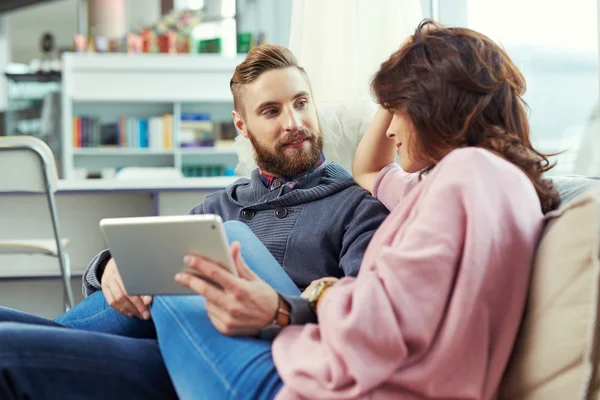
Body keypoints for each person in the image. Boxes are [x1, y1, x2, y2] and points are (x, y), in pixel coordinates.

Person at [141, 19, 559, 399]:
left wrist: (288, 307)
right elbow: (372, 168)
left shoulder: (469, 175)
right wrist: (401, 78)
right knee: (80, 349)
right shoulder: (468, 183)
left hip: (333, 384)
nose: (391, 128)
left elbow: (383, 325)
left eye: (399, 110)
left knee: (214, 244)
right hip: (332, 370)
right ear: (242, 123)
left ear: (434, 107)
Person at [0, 44, 388, 399]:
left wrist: (284, 308)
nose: (294, 122)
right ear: (241, 125)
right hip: (156, 348)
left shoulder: (356, 206)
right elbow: (148, 260)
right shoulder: (220, 206)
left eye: (301, 103)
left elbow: (367, 312)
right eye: (271, 111)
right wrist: (108, 268)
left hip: (247, 356)